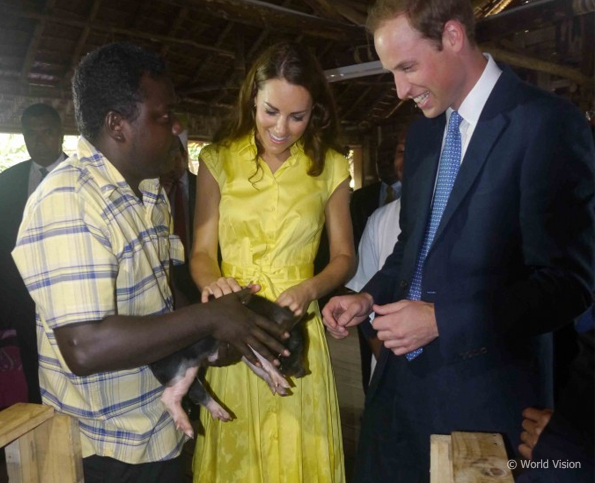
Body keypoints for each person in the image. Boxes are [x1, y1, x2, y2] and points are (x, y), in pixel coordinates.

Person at [322, 0, 594, 481]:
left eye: (407, 67)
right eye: (392, 72)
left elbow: (567, 283)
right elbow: (412, 248)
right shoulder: (425, 134)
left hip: (486, 404)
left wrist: (442, 320)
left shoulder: (545, 124)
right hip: (398, 391)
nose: (400, 90)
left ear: (452, 36)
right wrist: (370, 296)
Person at [11, 42, 289, 483]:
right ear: (117, 125)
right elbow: (85, 346)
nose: (177, 126)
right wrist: (207, 320)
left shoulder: (148, 191)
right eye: (163, 117)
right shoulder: (69, 201)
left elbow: (165, 297)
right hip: (103, 452)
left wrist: (217, 337)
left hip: (161, 433)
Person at [190, 41, 355, 483]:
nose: (281, 128)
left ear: (314, 112)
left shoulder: (333, 167)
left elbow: (344, 257)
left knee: (299, 451)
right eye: (270, 112)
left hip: (295, 331)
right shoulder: (218, 159)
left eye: (297, 116)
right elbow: (203, 253)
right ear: (252, 100)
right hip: (234, 326)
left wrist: (310, 288)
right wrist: (216, 286)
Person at [0, 103, 67, 406]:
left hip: (72, 296)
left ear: (61, 135)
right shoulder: (8, 182)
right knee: (32, 371)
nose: (39, 141)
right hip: (24, 300)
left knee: (72, 369)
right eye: (31, 134)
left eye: (47, 133)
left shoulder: (84, 178)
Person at [345, 133, 406, 388]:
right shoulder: (380, 219)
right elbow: (364, 293)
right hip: (387, 365)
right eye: (402, 152)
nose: (408, 160)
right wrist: (386, 363)